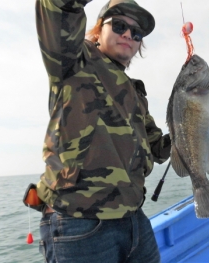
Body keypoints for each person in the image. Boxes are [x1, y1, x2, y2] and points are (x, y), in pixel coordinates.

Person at [29, 0, 171, 262]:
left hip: (134, 219)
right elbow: (59, 8)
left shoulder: (136, 93)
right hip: (79, 222)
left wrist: (194, 129)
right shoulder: (73, 60)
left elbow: (157, 149)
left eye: (136, 33)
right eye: (119, 25)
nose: (128, 34)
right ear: (98, 30)